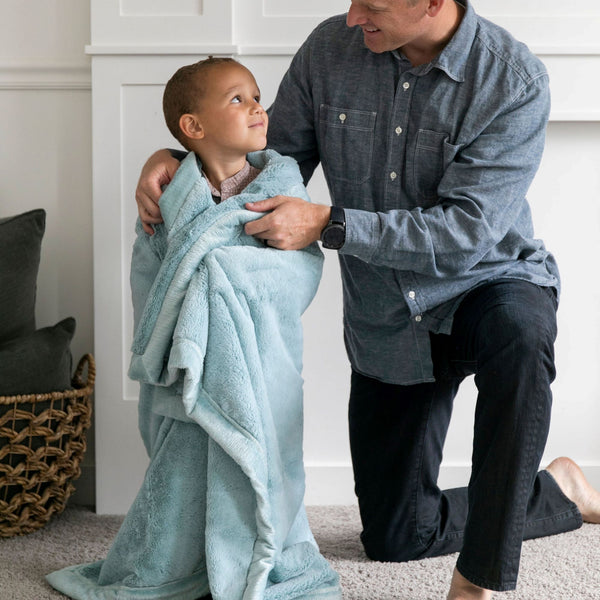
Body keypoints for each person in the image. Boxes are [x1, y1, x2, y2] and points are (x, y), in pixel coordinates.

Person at [135, 2, 600, 599]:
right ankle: (557, 491)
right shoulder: (330, 49)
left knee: (523, 333)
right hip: (390, 315)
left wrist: (331, 224)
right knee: (396, 536)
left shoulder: (512, 79)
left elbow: (467, 231)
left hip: (488, 282)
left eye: (372, 5)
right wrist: (175, 160)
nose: (353, 15)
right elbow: (269, 164)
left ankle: (478, 580)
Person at [47, 58, 342, 600]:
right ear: (193, 127)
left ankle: (260, 555)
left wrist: (225, 274)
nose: (257, 106)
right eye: (237, 99)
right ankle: (179, 563)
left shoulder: (281, 183)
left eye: (257, 96)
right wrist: (184, 316)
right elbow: (150, 276)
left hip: (258, 360)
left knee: (269, 461)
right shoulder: (170, 199)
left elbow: (298, 269)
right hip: (188, 361)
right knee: (183, 468)